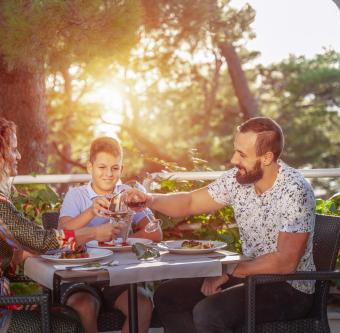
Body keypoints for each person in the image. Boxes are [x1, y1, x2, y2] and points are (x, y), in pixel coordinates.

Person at [126, 117, 316, 333]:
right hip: (249, 275)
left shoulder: (295, 190)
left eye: (242, 154)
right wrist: (149, 199)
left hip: (289, 288)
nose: (234, 159)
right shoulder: (238, 181)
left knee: (209, 313)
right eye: (236, 151)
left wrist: (229, 271)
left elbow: (285, 262)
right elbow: (189, 202)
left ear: (267, 157)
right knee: (168, 295)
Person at [0, 117, 121, 333]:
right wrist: (94, 232)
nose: (18, 155)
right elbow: (39, 240)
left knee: (68, 314)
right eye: (13, 149)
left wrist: (24, 254)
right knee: (68, 324)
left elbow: (3, 253)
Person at [58, 136, 162, 333]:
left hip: (121, 277)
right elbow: (62, 235)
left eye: (115, 168)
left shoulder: (128, 193)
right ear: (90, 167)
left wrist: (121, 240)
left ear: (121, 169)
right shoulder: (77, 195)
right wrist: (90, 212)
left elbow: (155, 233)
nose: (108, 174)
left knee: (143, 305)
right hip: (82, 278)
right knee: (84, 307)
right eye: (102, 167)